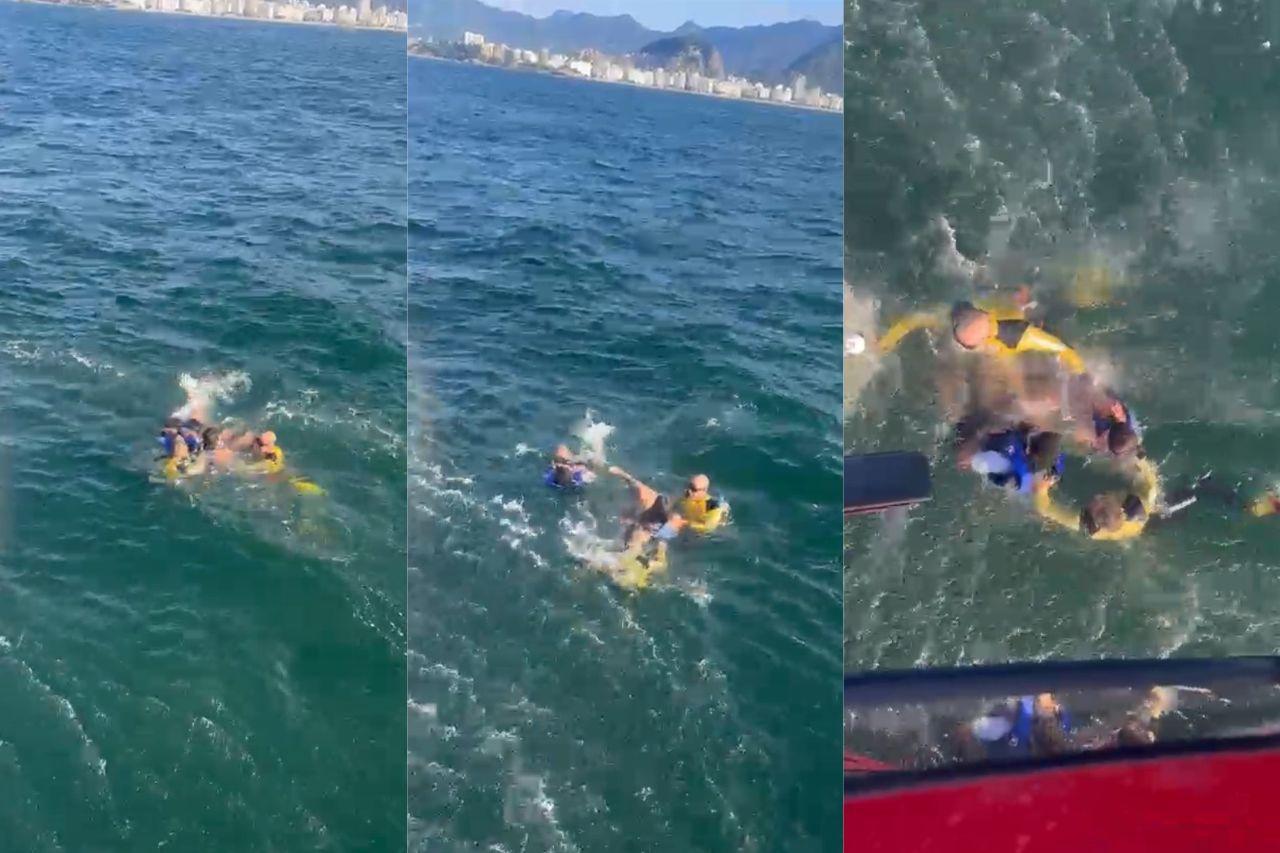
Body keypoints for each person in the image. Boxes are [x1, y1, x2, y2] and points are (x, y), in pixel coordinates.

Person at [880, 298, 1086, 375]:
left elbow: (1064, 349)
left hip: (1021, 330)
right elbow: (912, 320)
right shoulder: (959, 315)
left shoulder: (1021, 337)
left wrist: (1079, 374)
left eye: (965, 344)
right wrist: (886, 342)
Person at [1033, 455, 1161, 541]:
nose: (1097, 497)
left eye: (1095, 508)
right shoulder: (1136, 501)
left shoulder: (1084, 523)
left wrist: (1042, 486)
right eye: (1104, 499)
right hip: (1138, 516)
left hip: (1143, 526)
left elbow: (1044, 507)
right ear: (1120, 507)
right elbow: (1144, 466)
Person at [607, 466, 687, 550]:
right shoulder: (648, 499)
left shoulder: (672, 521)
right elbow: (634, 483)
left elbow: (667, 535)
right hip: (648, 524)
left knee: (639, 536)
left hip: (658, 532)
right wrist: (620, 473)